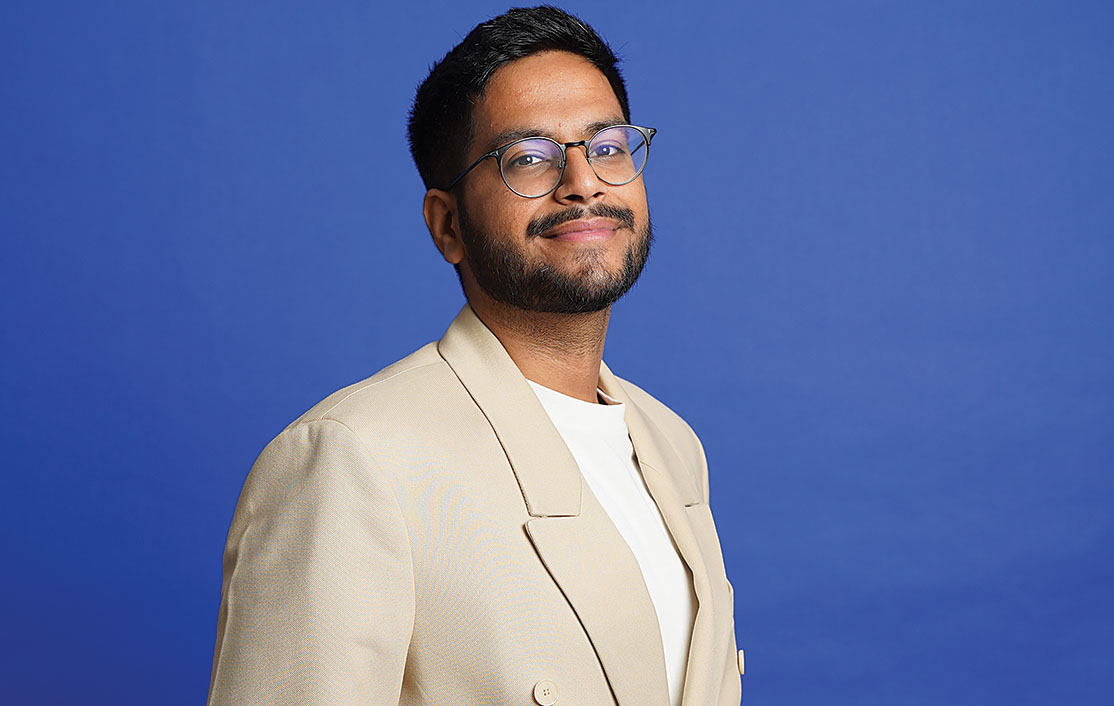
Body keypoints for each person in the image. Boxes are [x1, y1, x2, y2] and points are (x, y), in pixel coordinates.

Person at [207, 6, 741, 706]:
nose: (583, 181)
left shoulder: (673, 445)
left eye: (608, 146)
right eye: (528, 158)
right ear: (448, 224)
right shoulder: (353, 458)